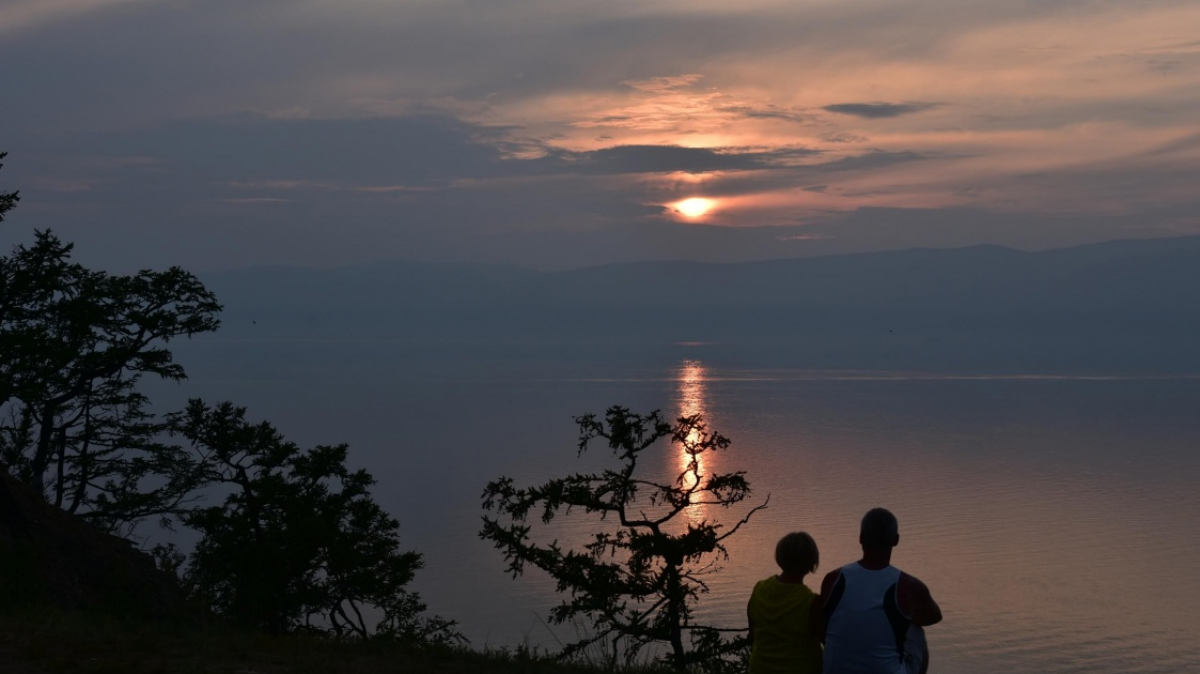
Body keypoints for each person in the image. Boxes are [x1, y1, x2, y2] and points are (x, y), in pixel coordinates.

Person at [817, 508, 942, 674]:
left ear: (860, 538)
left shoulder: (833, 579)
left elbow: (825, 628)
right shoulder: (909, 586)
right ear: (896, 540)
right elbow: (933, 616)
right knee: (915, 630)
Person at [747, 531, 824, 674]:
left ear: (780, 558)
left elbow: (753, 634)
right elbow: (829, 643)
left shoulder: (759, 589)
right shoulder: (812, 603)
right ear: (811, 561)